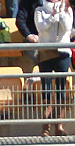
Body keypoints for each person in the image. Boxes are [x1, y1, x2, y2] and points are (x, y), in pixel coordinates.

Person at [35, 0, 73, 136]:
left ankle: (59, 126)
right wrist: (52, 16)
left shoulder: (68, 9)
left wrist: (61, 13)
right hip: (45, 52)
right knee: (46, 88)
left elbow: (67, 27)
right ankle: (46, 126)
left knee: (61, 89)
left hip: (62, 53)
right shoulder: (40, 9)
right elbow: (41, 27)